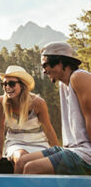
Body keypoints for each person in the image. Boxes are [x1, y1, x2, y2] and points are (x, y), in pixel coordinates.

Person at [16, 42, 91, 175]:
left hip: (86, 153)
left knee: (31, 168)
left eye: (45, 65)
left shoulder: (80, 77)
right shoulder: (63, 86)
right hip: (72, 149)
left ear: (60, 62)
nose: (44, 70)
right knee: (22, 162)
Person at [0, 65, 59, 173]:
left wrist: (58, 151)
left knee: (42, 165)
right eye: (4, 84)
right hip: (15, 142)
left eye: (12, 83)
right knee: (22, 157)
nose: (7, 87)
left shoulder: (38, 103)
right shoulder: (0, 102)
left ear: (22, 85)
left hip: (39, 143)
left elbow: (48, 129)